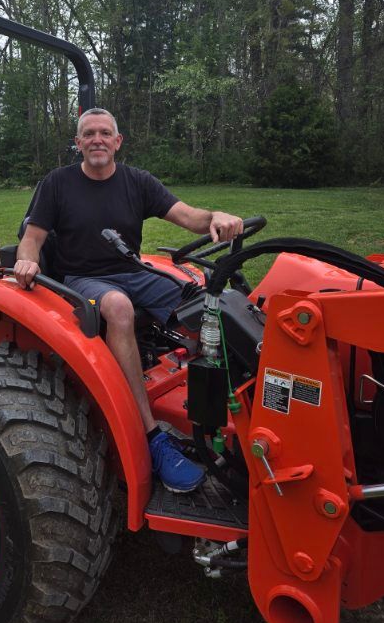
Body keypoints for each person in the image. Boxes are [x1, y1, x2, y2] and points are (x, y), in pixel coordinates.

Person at [14, 108, 243, 493]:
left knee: (210, 304)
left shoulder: (137, 182)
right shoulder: (57, 184)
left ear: (118, 142)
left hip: (134, 271)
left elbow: (189, 217)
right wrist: (25, 260)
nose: (97, 140)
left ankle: (235, 411)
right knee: (118, 307)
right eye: (89, 134)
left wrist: (217, 215)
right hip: (84, 278)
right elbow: (33, 238)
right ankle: (152, 437)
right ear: (78, 143)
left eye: (105, 133)